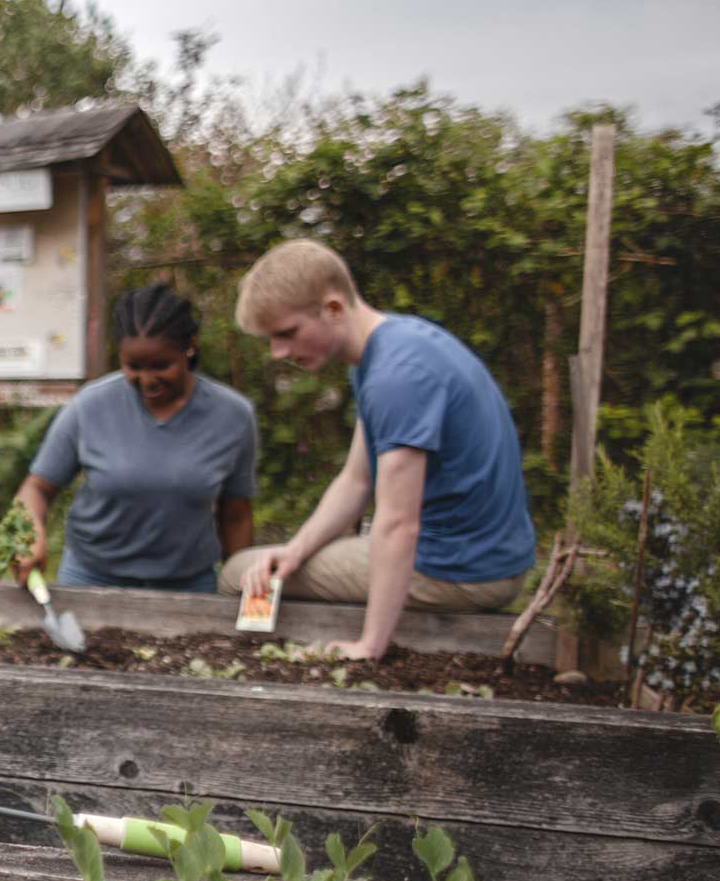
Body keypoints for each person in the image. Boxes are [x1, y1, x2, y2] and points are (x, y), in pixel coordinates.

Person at [220, 239, 535, 659]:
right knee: (271, 564)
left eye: (286, 333)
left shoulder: (396, 377)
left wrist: (370, 646)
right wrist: (294, 550)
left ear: (333, 308)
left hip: (462, 569)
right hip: (484, 558)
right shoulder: (390, 349)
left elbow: (398, 523)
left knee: (239, 572)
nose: (279, 352)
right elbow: (356, 480)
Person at [12, 285, 257, 593]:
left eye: (160, 366)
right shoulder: (90, 406)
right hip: (92, 579)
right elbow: (36, 488)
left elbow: (236, 515)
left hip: (189, 586)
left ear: (189, 348)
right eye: (133, 367)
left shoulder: (232, 416)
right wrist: (29, 535)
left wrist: (245, 591)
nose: (147, 380)